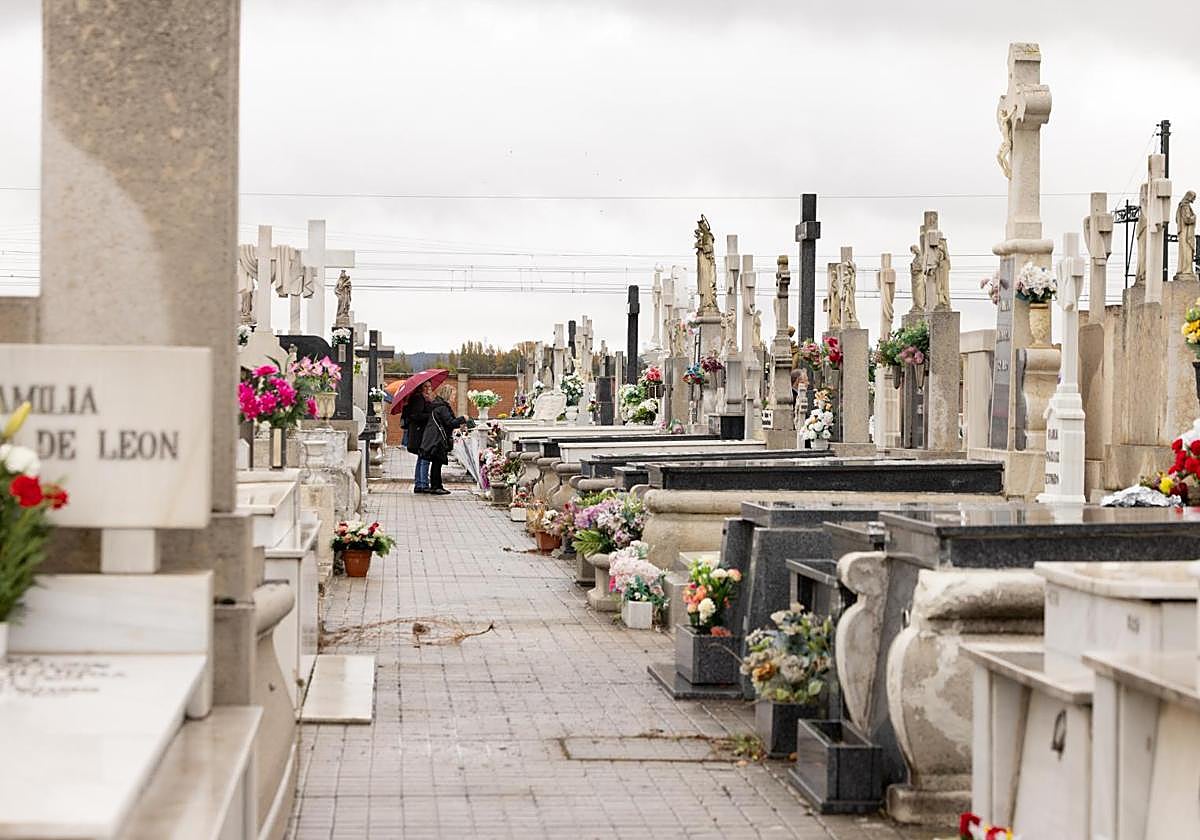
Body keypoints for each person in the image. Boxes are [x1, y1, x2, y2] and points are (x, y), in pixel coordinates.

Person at [419, 384, 468, 495]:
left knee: (436, 462)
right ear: (448, 395)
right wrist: (463, 419)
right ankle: (436, 486)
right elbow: (450, 423)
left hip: (434, 437)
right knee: (437, 463)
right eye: (453, 395)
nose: (454, 398)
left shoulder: (437, 406)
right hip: (438, 439)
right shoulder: (443, 408)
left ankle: (436, 485)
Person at [401, 382, 433, 493]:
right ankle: (422, 484)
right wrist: (431, 416)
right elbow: (416, 415)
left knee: (421, 457)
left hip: (420, 431)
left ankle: (419, 483)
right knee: (424, 456)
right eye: (426, 386)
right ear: (421, 388)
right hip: (419, 432)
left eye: (430, 386)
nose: (428, 388)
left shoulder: (424, 398)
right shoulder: (419, 398)